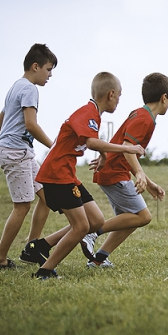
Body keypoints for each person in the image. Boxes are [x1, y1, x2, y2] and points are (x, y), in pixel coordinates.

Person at [24, 72, 145, 279]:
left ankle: (40, 246)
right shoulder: (88, 113)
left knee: (96, 221)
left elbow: (90, 140)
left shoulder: (93, 114)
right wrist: (130, 149)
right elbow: (91, 142)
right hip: (57, 174)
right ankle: (45, 271)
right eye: (119, 96)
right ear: (111, 94)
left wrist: (104, 156)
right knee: (81, 226)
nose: (119, 100)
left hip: (66, 175)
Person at [78, 73, 168, 268]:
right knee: (143, 217)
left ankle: (98, 260)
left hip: (112, 171)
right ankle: (92, 232)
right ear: (164, 97)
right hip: (114, 173)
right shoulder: (144, 119)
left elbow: (129, 151)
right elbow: (129, 147)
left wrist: (150, 183)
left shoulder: (142, 114)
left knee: (130, 220)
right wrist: (138, 173)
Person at [0, 44, 58, 272]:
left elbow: (0, 123)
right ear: (35, 66)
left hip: (21, 151)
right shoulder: (29, 89)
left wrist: (10, 144)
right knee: (22, 206)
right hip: (16, 152)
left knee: (47, 196)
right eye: (48, 69)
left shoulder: (15, 87)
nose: (50, 75)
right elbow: (30, 123)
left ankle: (32, 248)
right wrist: (53, 146)